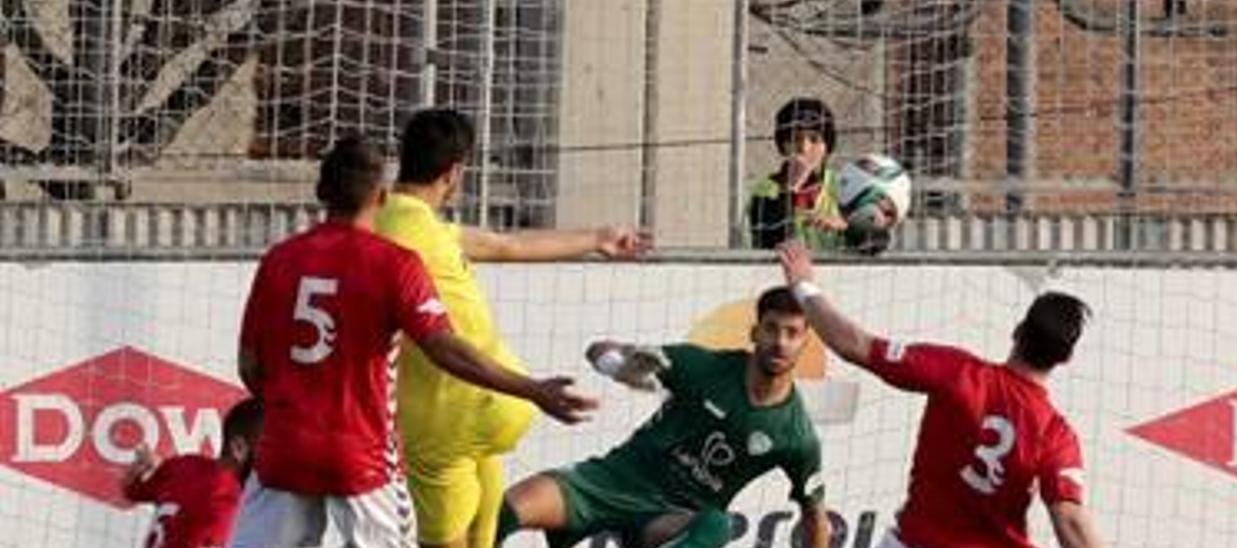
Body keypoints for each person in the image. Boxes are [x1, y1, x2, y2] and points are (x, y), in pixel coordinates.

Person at [231, 136, 597, 547]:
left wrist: (294, 403)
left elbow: (249, 365)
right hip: (362, 455)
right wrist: (531, 389)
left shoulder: (279, 259)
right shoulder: (394, 263)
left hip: (285, 448)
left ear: (321, 193)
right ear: (382, 196)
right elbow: (443, 348)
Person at [375, 108, 650, 548]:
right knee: (484, 536)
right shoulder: (430, 231)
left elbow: (440, 340)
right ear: (455, 172)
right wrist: (598, 238)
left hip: (445, 413)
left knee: (441, 541)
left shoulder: (382, 228)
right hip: (498, 404)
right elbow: (508, 244)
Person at [776, 240, 1104, 548]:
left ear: (1017, 331)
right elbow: (1069, 519)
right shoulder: (1055, 434)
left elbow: (855, 345)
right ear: (1065, 358)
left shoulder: (958, 372)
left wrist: (803, 285)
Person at [496, 286, 831, 548]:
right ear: (755, 333)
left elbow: (815, 517)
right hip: (611, 479)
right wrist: (618, 365)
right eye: (772, 329)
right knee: (502, 512)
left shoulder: (796, 437)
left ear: (805, 341)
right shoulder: (705, 367)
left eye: (792, 333)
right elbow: (598, 347)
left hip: (669, 518)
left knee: (716, 527)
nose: (780, 343)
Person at [121, 397, 263, 548]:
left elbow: (133, 490)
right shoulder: (228, 504)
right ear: (239, 448)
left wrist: (140, 473)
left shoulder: (184, 464)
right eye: (269, 448)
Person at [748, 97, 845, 251]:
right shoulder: (765, 190)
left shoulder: (842, 185)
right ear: (784, 146)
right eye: (795, 139)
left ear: (827, 147)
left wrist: (847, 227)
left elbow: (875, 237)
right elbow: (768, 241)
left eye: (814, 139)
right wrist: (791, 188)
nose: (804, 148)